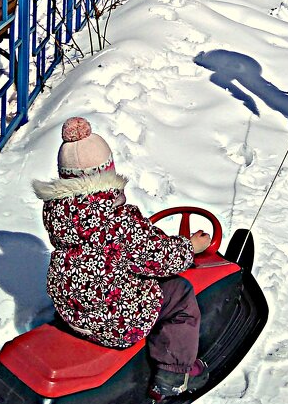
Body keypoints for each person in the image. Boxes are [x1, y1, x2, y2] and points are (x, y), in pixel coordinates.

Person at [33, 117, 212, 401]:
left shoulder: (57, 212)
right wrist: (189, 247)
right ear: (108, 172)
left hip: (74, 310)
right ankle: (174, 374)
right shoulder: (117, 220)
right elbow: (158, 257)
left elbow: (106, 252)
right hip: (114, 320)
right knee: (179, 295)